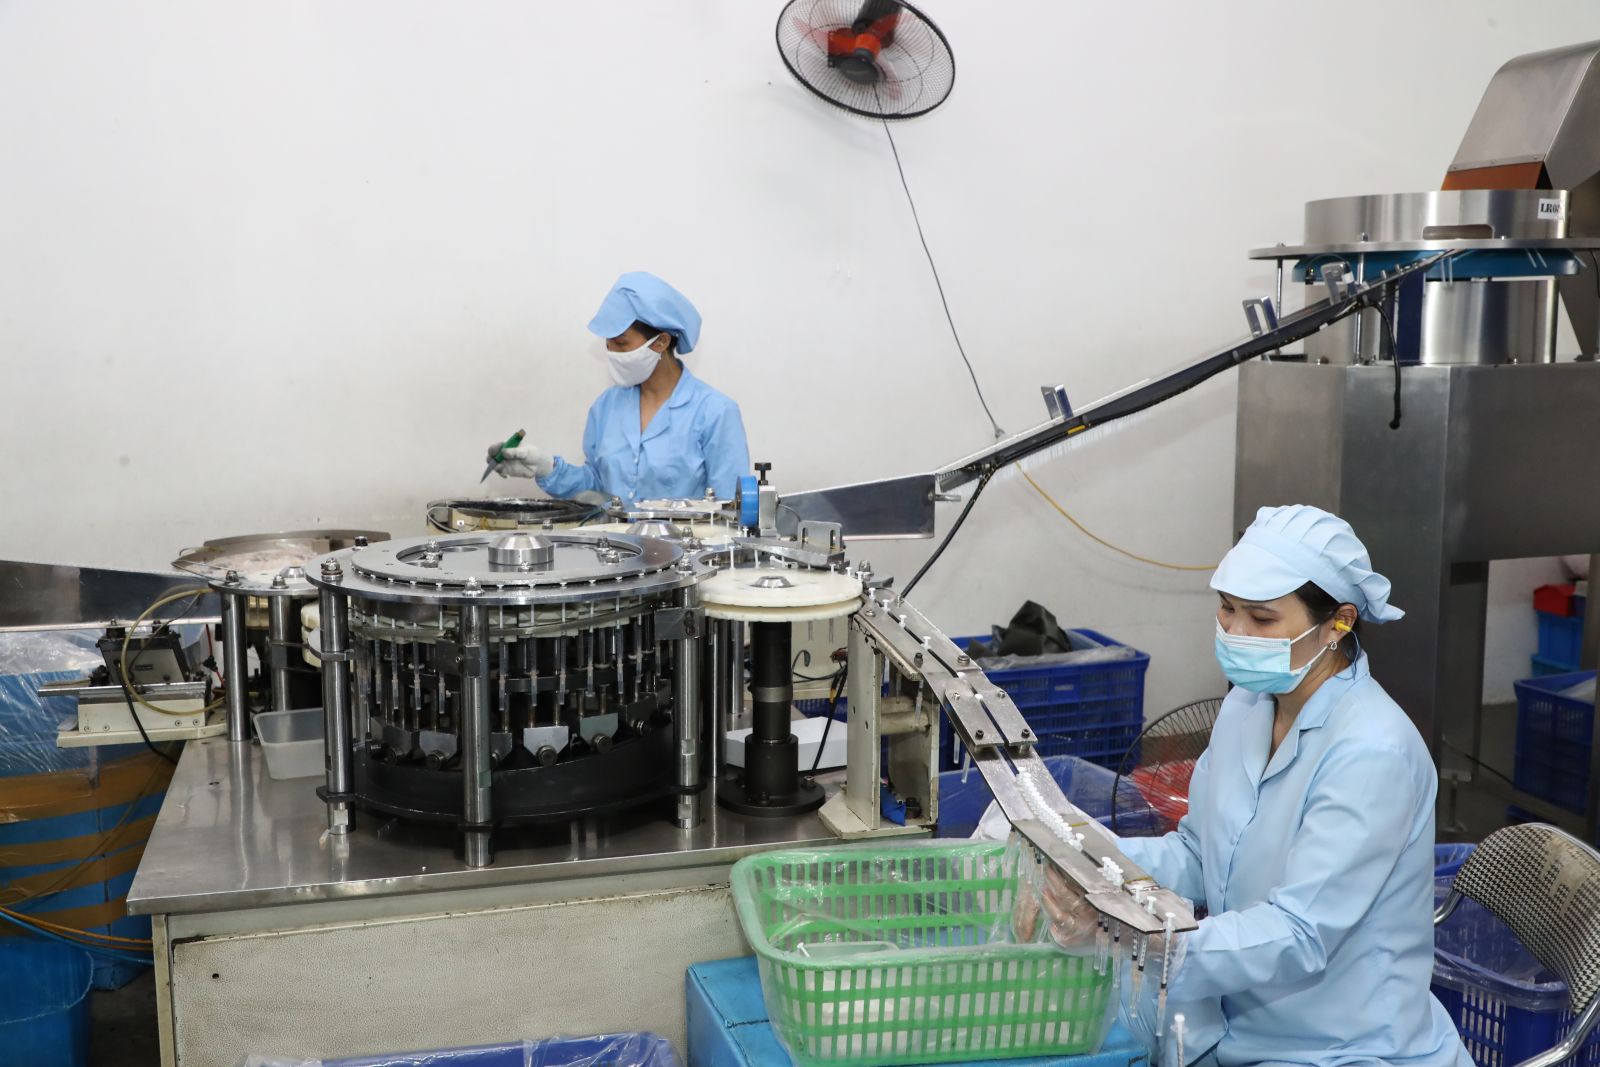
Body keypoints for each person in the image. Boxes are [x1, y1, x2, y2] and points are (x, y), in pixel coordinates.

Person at [1036, 505, 1472, 1067]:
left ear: (1339, 623)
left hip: (1339, 1047)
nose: (1235, 633)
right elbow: (1199, 853)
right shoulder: (1248, 704)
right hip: (1233, 1020)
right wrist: (1084, 862)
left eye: (1262, 619)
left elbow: (1301, 933)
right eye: (1227, 609)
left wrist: (1132, 938)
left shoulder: (1372, 752)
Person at [488, 271, 749, 506]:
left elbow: (730, 510)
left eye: (621, 344)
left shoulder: (715, 412)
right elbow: (598, 486)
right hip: (614, 544)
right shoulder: (606, 407)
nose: (612, 352)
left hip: (684, 546)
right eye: (608, 344)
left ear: (661, 342)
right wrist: (546, 468)